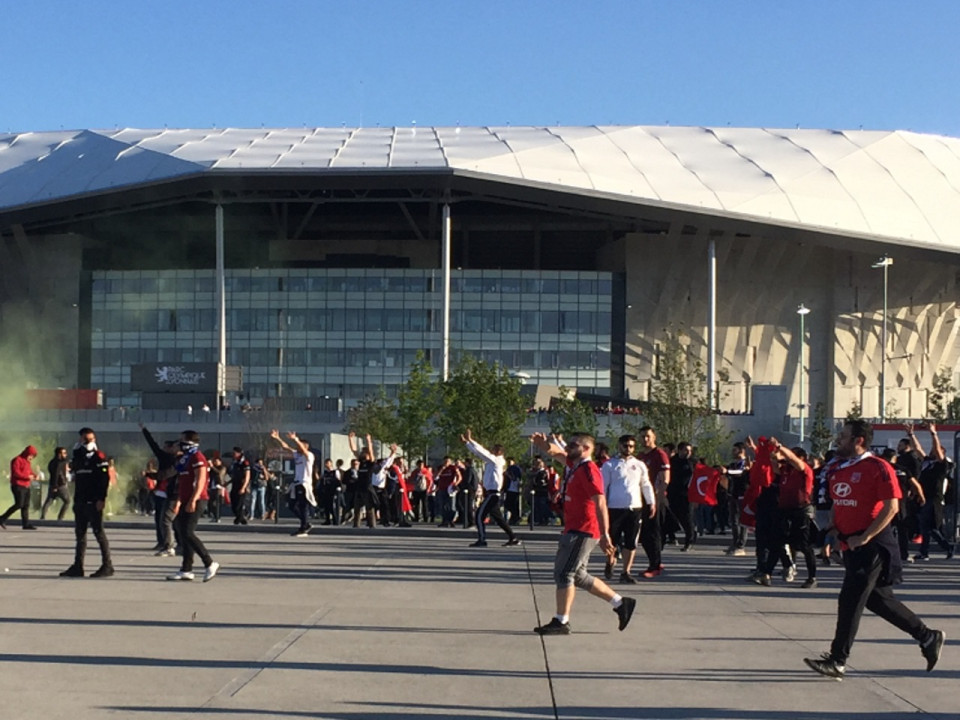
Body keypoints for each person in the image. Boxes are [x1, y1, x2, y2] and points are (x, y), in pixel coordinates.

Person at [804, 420, 944, 680]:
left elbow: (891, 507)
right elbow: (839, 504)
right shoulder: (840, 468)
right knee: (878, 600)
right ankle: (927, 636)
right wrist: (831, 532)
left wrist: (865, 536)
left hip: (874, 545)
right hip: (849, 543)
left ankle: (837, 660)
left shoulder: (878, 467)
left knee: (850, 599)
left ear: (859, 440)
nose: (838, 439)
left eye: (843, 436)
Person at [530, 432, 636, 635]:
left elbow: (600, 501)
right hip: (574, 527)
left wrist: (605, 534)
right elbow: (558, 454)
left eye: (573, 445)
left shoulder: (589, 470)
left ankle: (561, 621)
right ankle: (621, 603)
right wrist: (543, 445)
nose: (568, 448)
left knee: (564, 573)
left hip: (583, 530)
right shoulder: (575, 466)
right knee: (579, 575)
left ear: (587, 449)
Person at [602, 434, 655, 583]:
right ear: (619, 446)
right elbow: (603, 487)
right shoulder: (609, 465)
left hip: (634, 508)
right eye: (625, 446)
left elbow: (646, 484)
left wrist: (651, 502)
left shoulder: (639, 465)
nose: (628, 448)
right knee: (612, 540)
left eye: (631, 446)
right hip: (614, 508)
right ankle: (610, 561)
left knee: (631, 542)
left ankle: (626, 571)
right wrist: (602, 507)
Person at [60, 428, 113, 577]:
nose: (88, 443)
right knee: (80, 535)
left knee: (99, 533)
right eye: (85, 440)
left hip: (93, 501)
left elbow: (104, 480)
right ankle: (78, 566)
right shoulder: (80, 457)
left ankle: (107, 565)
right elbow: (73, 469)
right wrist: (76, 452)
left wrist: (101, 499)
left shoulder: (99, 457)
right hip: (80, 500)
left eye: (90, 440)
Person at [167, 430, 219, 582]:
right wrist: (179, 501)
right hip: (185, 499)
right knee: (181, 531)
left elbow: (201, 480)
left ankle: (209, 562)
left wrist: (193, 500)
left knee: (188, 532)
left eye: (182, 440)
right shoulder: (185, 458)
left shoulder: (197, 457)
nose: (180, 443)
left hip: (196, 499)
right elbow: (182, 482)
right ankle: (186, 569)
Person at [462, 428, 520, 547]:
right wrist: (468, 443)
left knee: (479, 515)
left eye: (494, 450)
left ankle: (482, 540)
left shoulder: (497, 461)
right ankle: (513, 538)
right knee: (499, 519)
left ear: (499, 451)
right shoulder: (492, 461)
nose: (492, 451)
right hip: (490, 494)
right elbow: (480, 453)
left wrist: (470, 440)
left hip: (493, 494)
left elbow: (482, 452)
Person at [909, 424, 954, 560]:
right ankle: (924, 552)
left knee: (933, 528)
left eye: (936, 450)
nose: (932, 451)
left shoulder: (942, 465)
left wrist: (934, 434)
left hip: (934, 499)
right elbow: (918, 449)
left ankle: (947, 546)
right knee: (925, 528)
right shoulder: (927, 463)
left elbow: (938, 452)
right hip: (924, 498)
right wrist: (911, 435)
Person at [271, 430, 316, 536]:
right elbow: (286, 447)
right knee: (291, 505)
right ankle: (305, 523)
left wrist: (296, 439)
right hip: (296, 483)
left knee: (303, 505)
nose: (299, 447)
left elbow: (304, 450)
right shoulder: (297, 455)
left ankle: (303, 526)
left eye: (301, 446)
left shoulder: (309, 455)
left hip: (304, 483)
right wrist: (278, 438)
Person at [638, 426, 670, 578]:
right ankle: (655, 561)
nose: (645, 439)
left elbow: (665, 478)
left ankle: (655, 565)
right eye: (643, 436)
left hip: (654, 499)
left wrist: (658, 499)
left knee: (652, 533)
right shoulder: (640, 456)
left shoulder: (659, 454)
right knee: (644, 534)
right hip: (642, 498)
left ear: (654, 437)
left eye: (648, 436)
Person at [2, 445, 39, 530]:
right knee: (19, 504)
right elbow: (16, 473)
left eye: (33, 456)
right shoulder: (17, 460)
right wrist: (27, 477)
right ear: (27, 453)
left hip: (26, 485)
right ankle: (2, 518)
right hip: (18, 485)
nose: (31, 458)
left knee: (26, 505)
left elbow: (29, 471)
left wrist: (34, 475)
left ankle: (25, 524)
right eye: (31, 455)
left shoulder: (27, 462)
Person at [41, 446, 71, 520]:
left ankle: (43, 516)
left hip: (53, 484)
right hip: (60, 485)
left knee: (49, 500)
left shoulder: (52, 462)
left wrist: (53, 485)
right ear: (59, 454)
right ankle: (60, 517)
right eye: (64, 453)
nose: (66, 455)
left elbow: (52, 473)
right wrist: (56, 485)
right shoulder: (61, 463)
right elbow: (57, 474)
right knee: (67, 501)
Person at [434, 456, 461, 527]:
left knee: (451, 506)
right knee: (442, 506)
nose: (446, 463)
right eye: (445, 461)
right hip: (442, 488)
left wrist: (455, 484)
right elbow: (435, 477)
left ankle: (450, 520)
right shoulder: (440, 467)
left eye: (448, 461)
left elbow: (459, 477)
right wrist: (441, 470)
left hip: (450, 489)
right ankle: (444, 521)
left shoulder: (453, 468)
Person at [228, 447, 251, 525]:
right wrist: (227, 483)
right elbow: (234, 476)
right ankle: (240, 518)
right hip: (235, 484)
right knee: (233, 503)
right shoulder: (235, 462)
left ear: (239, 454)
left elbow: (247, 476)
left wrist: (243, 487)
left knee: (239, 504)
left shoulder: (244, 462)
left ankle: (240, 518)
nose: (233, 455)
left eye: (234, 453)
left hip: (241, 485)